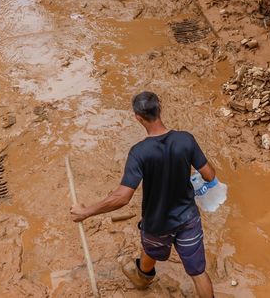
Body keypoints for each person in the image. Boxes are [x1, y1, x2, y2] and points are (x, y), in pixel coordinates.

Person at [70, 92, 217, 297]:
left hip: (156, 224)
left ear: (137, 118)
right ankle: (143, 277)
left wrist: (86, 212)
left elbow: (122, 197)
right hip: (188, 220)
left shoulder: (139, 152)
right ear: (160, 108)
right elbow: (210, 175)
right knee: (198, 272)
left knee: (150, 248)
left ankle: (142, 278)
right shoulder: (186, 140)